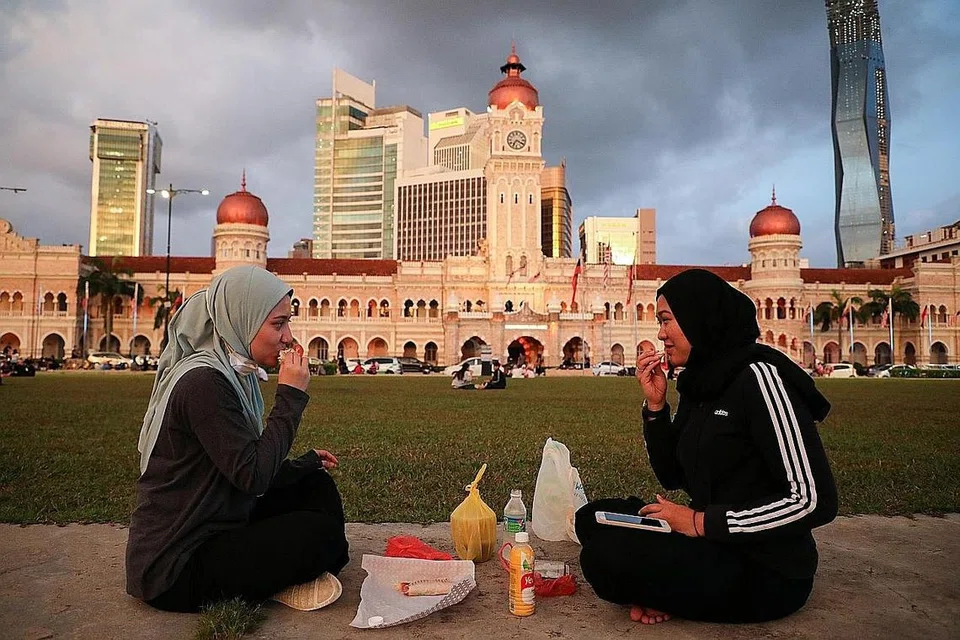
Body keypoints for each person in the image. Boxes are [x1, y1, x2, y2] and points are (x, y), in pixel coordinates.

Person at [576, 268, 837, 625]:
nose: (661, 334)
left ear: (699, 319)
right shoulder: (701, 383)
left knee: (604, 556)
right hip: (713, 541)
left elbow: (814, 500)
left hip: (766, 569)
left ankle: (662, 588)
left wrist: (699, 522)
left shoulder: (758, 378)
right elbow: (671, 476)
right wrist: (655, 408)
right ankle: (664, 588)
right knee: (591, 518)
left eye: (667, 321)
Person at [125, 265, 349, 613]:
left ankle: (277, 575)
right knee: (322, 536)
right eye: (278, 324)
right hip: (176, 565)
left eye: (287, 323)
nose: (289, 336)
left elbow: (239, 466)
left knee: (314, 486)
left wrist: (301, 466)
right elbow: (252, 476)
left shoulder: (233, 373)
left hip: (221, 517)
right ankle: (276, 580)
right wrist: (290, 397)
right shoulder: (203, 383)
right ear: (241, 321)